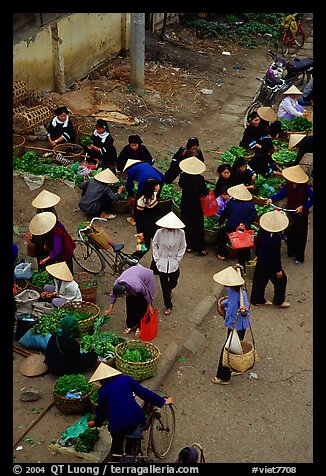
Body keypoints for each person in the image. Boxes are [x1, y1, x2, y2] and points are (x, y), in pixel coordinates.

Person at [87, 362, 174, 462]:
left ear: (100, 380)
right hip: (134, 418)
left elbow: (102, 412)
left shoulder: (102, 391)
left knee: (116, 449)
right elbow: (143, 393)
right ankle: (132, 454)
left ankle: (116, 460)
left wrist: (95, 422)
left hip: (117, 426)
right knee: (132, 446)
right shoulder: (126, 380)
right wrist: (162, 401)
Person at [266, 165, 313, 265]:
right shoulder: (288, 185)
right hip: (290, 213)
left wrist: (303, 207)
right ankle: (291, 251)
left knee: (301, 235)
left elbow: (313, 198)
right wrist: (272, 198)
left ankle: (300, 257)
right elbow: (281, 194)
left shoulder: (305, 187)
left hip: (301, 215)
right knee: (290, 233)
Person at [211, 265, 250, 385]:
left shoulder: (242, 294)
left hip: (239, 326)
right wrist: (222, 304)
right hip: (231, 324)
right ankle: (236, 366)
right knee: (234, 348)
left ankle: (223, 377)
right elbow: (230, 301)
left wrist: (244, 311)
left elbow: (246, 313)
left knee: (227, 350)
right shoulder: (231, 290)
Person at [250, 210, 290, 308]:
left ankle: (256, 299)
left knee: (260, 279)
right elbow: (275, 255)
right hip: (270, 263)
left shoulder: (262, 230)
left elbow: (258, 245)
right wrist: (278, 269)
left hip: (261, 259)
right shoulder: (275, 238)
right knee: (281, 280)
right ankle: (278, 301)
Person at [104, 263, 156, 337]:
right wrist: (110, 309)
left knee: (142, 304)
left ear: (126, 292)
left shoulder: (137, 286)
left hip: (146, 278)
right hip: (133, 274)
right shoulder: (117, 284)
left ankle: (139, 327)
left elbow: (146, 293)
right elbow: (113, 294)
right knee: (130, 304)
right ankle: (131, 325)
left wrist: (149, 305)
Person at [151, 211, 187, 316]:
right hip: (162, 263)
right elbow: (154, 244)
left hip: (173, 263)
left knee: (174, 280)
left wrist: (178, 259)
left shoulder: (181, 233)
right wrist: (157, 259)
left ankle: (170, 289)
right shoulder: (159, 232)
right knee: (164, 286)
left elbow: (182, 246)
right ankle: (168, 305)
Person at [215, 183, 257, 268]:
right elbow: (254, 215)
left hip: (232, 225)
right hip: (244, 228)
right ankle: (244, 263)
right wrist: (245, 224)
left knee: (222, 235)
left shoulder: (232, 203)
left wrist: (220, 222)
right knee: (244, 246)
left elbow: (225, 214)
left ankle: (221, 253)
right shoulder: (250, 204)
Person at [179, 156, 209, 256]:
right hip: (196, 205)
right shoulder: (199, 179)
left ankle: (188, 245)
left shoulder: (183, 176)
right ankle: (199, 248)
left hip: (185, 203)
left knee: (186, 224)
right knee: (197, 226)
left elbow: (180, 185)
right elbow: (205, 192)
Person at [25, 190, 61, 270]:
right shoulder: (40, 211)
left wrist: (46, 243)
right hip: (39, 237)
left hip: (44, 240)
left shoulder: (52, 215)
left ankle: (45, 269)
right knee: (40, 256)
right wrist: (33, 236)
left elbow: (49, 230)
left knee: (45, 257)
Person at [123, 159, 164, 226]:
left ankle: (135, 218)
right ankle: (153, 214)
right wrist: (159, 184)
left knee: (140, 200)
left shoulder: (131, 170)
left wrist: (130, 193)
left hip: (146, 182)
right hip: (158, 181)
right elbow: (161, 175)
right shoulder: (146, 164)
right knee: (155, 199)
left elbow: (129, 184)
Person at [133, 178, 161, 259]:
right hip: (145, 226)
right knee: (143, 247)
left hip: (154, 223)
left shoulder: (155, 194)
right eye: (156, 185)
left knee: (158, 245)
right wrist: (140, 232)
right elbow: (138, 216)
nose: (158, 187)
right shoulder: (142, 200)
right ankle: (131, 260)